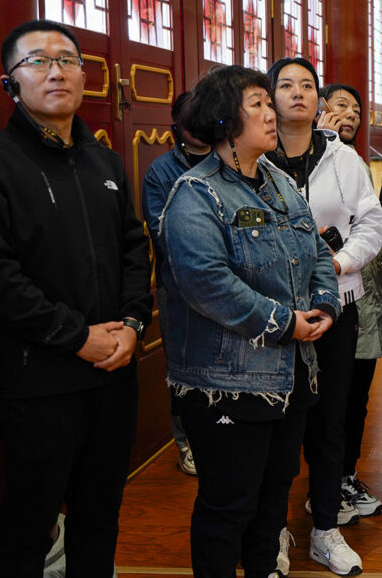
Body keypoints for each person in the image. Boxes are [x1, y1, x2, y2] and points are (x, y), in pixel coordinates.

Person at [0, 19, 151, 575]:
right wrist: (77, 337)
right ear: (9, 82)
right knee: (27, 523)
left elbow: (134, 250)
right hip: (38, 380)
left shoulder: (105, 161)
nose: (56, 70)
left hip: (113, 372)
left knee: (100, 515)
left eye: (67, 59)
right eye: (36, 61)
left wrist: (133, 324)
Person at [158, 65, 337, 576]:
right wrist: (284, 321)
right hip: (227, 380)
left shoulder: (280, 181)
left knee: (272, 498)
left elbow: (317, 251)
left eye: (267, 102)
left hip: (291, 373)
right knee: (228, 505)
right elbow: (205, 282)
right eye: (257, 103)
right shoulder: (196, 193)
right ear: (224, 118)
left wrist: (323, 305)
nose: (271, 112)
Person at [266, 57, 382, 575]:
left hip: (338, 304)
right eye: (286, 85)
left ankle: (326, 530)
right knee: (276, 426)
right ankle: (270, 529)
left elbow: (371, 224)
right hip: (272, 313)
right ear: (268, 97)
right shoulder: (253, 157)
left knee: (330, 420)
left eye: (307, 86)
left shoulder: (344, 159)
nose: (298, 93)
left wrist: (333, 265)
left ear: (319, 100)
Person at [320, 82, 382, 518]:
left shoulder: (356, 163)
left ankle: (345, 477)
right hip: (329, 294)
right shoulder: (311, 161)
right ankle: (327, 484)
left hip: (363, 298)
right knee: (334, 397)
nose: (348, 115)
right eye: (338, 107)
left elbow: (372, 232)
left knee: (358, 394)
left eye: (355, 108)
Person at [142, 91, 210, 477]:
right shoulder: (162, 171)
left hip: (232, 285)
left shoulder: (232, 159)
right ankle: (185, 442)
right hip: (178, 289)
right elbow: (166, 234)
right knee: (182, 367)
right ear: (178, 127)